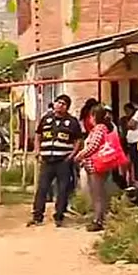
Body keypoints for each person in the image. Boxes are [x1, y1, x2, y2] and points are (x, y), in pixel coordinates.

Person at [28, 94, 82, 227]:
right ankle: (37, 216)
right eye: (58, 102)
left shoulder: (72, 122)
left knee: (62, 189)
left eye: (63, 104)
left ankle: (59, 216)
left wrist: (72, 155)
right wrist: (37, 151)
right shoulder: (46, 119)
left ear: (67, 107)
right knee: (42, 188)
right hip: (47, 160)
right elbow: (38, 135)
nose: (59, 105)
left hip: (63, 161)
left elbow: (78, 140)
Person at [75, 104, 115, 232]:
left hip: (96, 165)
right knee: (97, 193)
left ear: (94, 116)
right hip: (94, 165)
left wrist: (80, 155)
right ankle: (99, 217)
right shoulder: (100, 128)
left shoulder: (99, 129)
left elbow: (93, 146)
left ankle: (98, 220)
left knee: (97, 194)